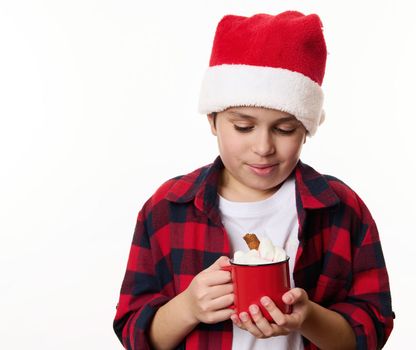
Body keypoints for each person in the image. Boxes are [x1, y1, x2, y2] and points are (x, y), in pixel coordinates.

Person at [113, 10, 394, 350]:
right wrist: (187, 307)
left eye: (285, 129)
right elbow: (133, 332)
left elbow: (371, 331)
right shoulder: (168, 208)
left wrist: (309, 318)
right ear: (213, 121)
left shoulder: (341, 209)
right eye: (243, 127)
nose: (263, 148)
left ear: (306, 129)